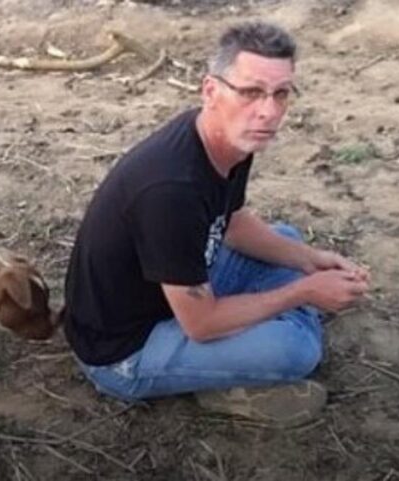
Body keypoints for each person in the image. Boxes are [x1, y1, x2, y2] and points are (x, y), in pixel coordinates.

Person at [61, 21, 370, 425]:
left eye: (281, 94)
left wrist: (310, 261)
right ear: (211, 90)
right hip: (124, 351)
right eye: (251, 92)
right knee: (297, 350)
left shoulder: (227, 136)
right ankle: (230, 381)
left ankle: (262, 336)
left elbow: (233, 221)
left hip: (172, 292)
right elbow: (202, 323)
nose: (269, 111)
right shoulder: (170, 188)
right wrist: (302, 293)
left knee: (288, 242)